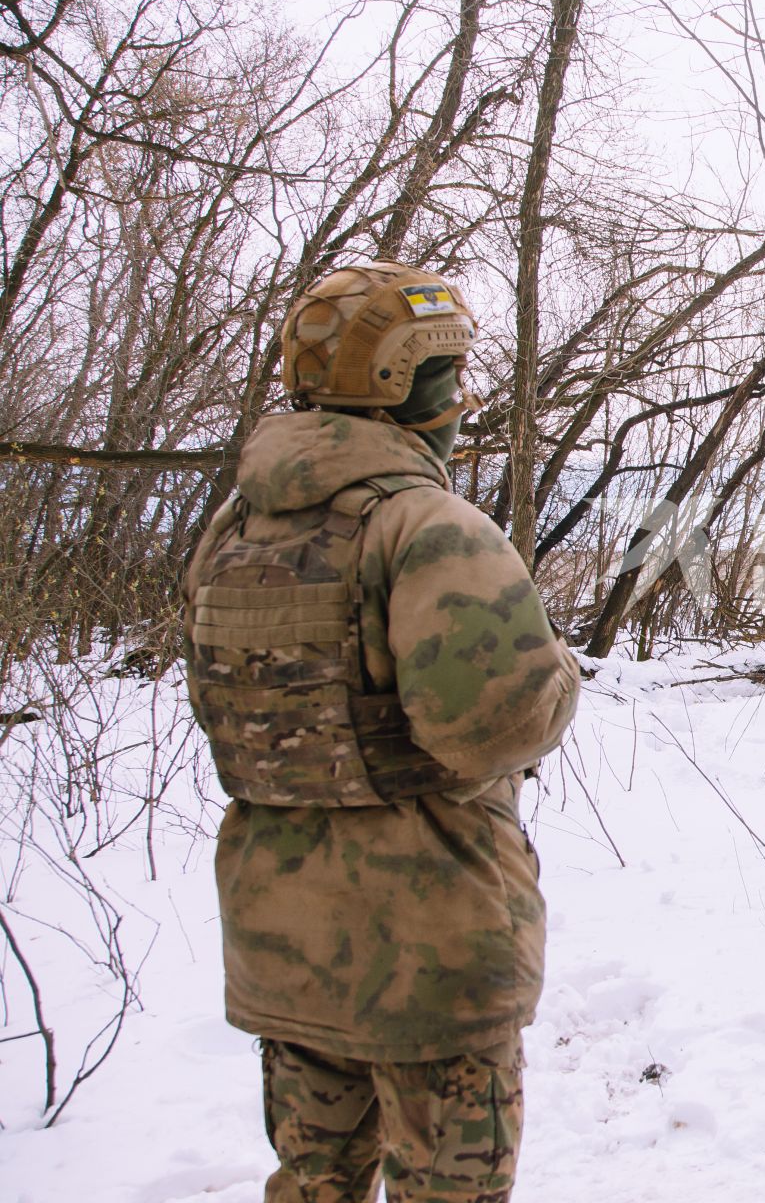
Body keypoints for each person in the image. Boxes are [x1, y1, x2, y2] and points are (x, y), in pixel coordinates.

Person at [182, 261, 580, 1202]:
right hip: (431, 951)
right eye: (449, 373)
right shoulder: (429, 524)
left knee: (312, 1183)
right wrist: (559, 675)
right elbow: (498, 723)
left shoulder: (235, 525)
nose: (461, 397)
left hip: (285, 941)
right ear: (406, 384)